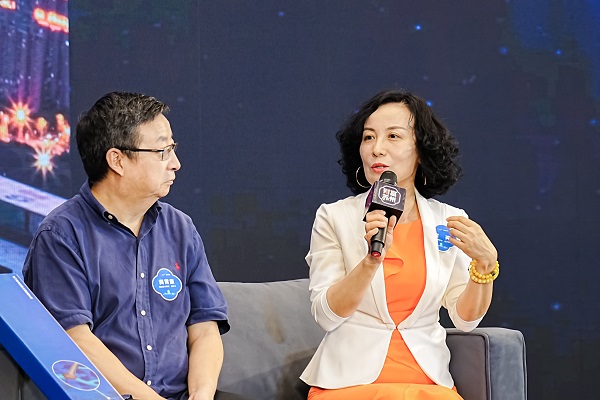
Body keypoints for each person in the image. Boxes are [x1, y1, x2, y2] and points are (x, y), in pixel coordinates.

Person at [23, 92, 242, 400]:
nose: (176, 164)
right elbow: (75, 340)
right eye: (163, 151)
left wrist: (202, 394)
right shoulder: (61, 234)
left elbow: (205, 327)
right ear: (118, 160)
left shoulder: (180, 229)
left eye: (173, 149)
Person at [300, 89, 499, 399]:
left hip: (427, 383)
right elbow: (326, 315)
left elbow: (465, 319)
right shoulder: (334, 217)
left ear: (421, 150)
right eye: (368, 137)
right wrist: (370, 261)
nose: (376, 149)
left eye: (393, 136)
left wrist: (484, 266)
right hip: (349, 384)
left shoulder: (449, 220)